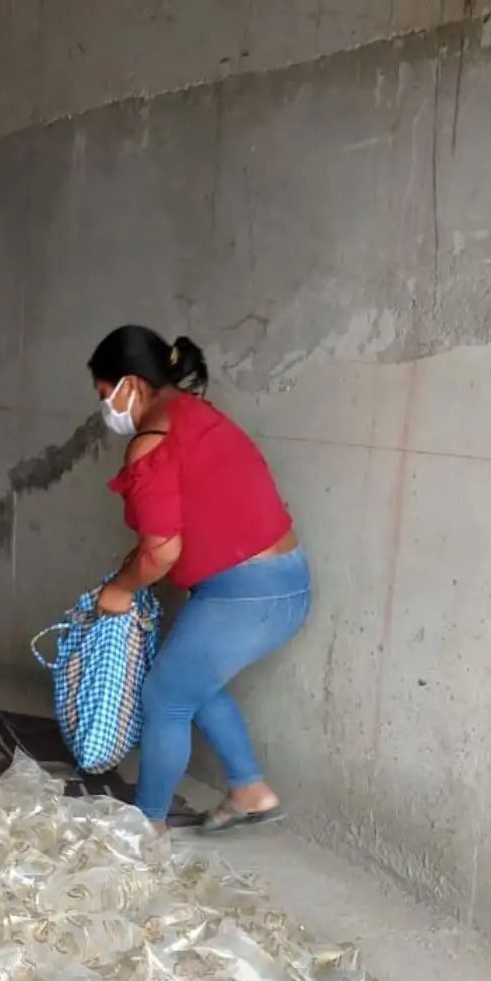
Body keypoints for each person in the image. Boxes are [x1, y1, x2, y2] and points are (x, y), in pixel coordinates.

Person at [90, 325, 310, 834]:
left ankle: (147, 827)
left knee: (164, 697)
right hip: (281, 583)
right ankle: (249, 789)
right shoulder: (194, 414)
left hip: (246, 594)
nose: (106, 409)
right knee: (192, 682)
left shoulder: (154, 439)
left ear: (131, 384)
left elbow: (162, 551)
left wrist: (121, 588)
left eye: (105, 395)